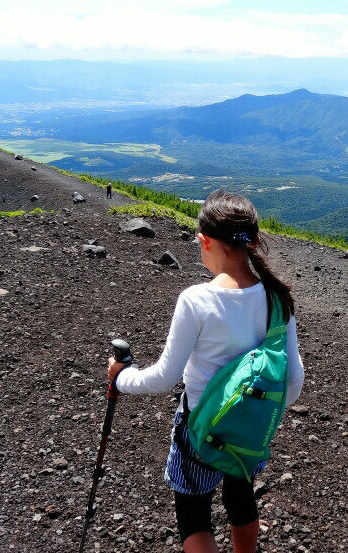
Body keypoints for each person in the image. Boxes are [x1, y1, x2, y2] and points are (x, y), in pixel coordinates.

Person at [107, 189, 304, 553]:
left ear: (205, 241)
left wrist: (121, 377)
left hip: (199, 430)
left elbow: (165, 378)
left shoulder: (197, 300)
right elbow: (293, 384)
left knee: (195, 519)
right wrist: (250, 411)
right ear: (253, 242)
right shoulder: (277, 298)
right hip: (250, 432)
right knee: (241, 496)